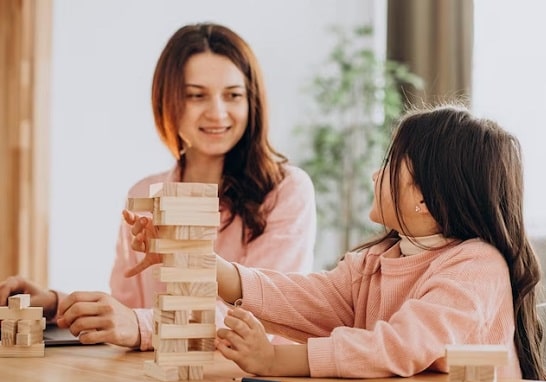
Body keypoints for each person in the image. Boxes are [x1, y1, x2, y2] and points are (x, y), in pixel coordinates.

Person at [128, 103, 546, 380]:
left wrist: (276, 362)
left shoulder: (476, 266)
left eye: (389, 164)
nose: (375, 174)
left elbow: (401, 346)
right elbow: (306, 298)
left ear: (425, 199)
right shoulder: (375, 262)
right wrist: (200, 262)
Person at [0, 22, 316, 350]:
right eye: (197, 95)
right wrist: (56, 305)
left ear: (252, 102)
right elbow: (128, 309)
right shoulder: (144, 194)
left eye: (233, 95)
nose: (218, 112)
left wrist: (138, 325)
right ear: (168, 101)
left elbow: (258, 318)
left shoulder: (286, 191)